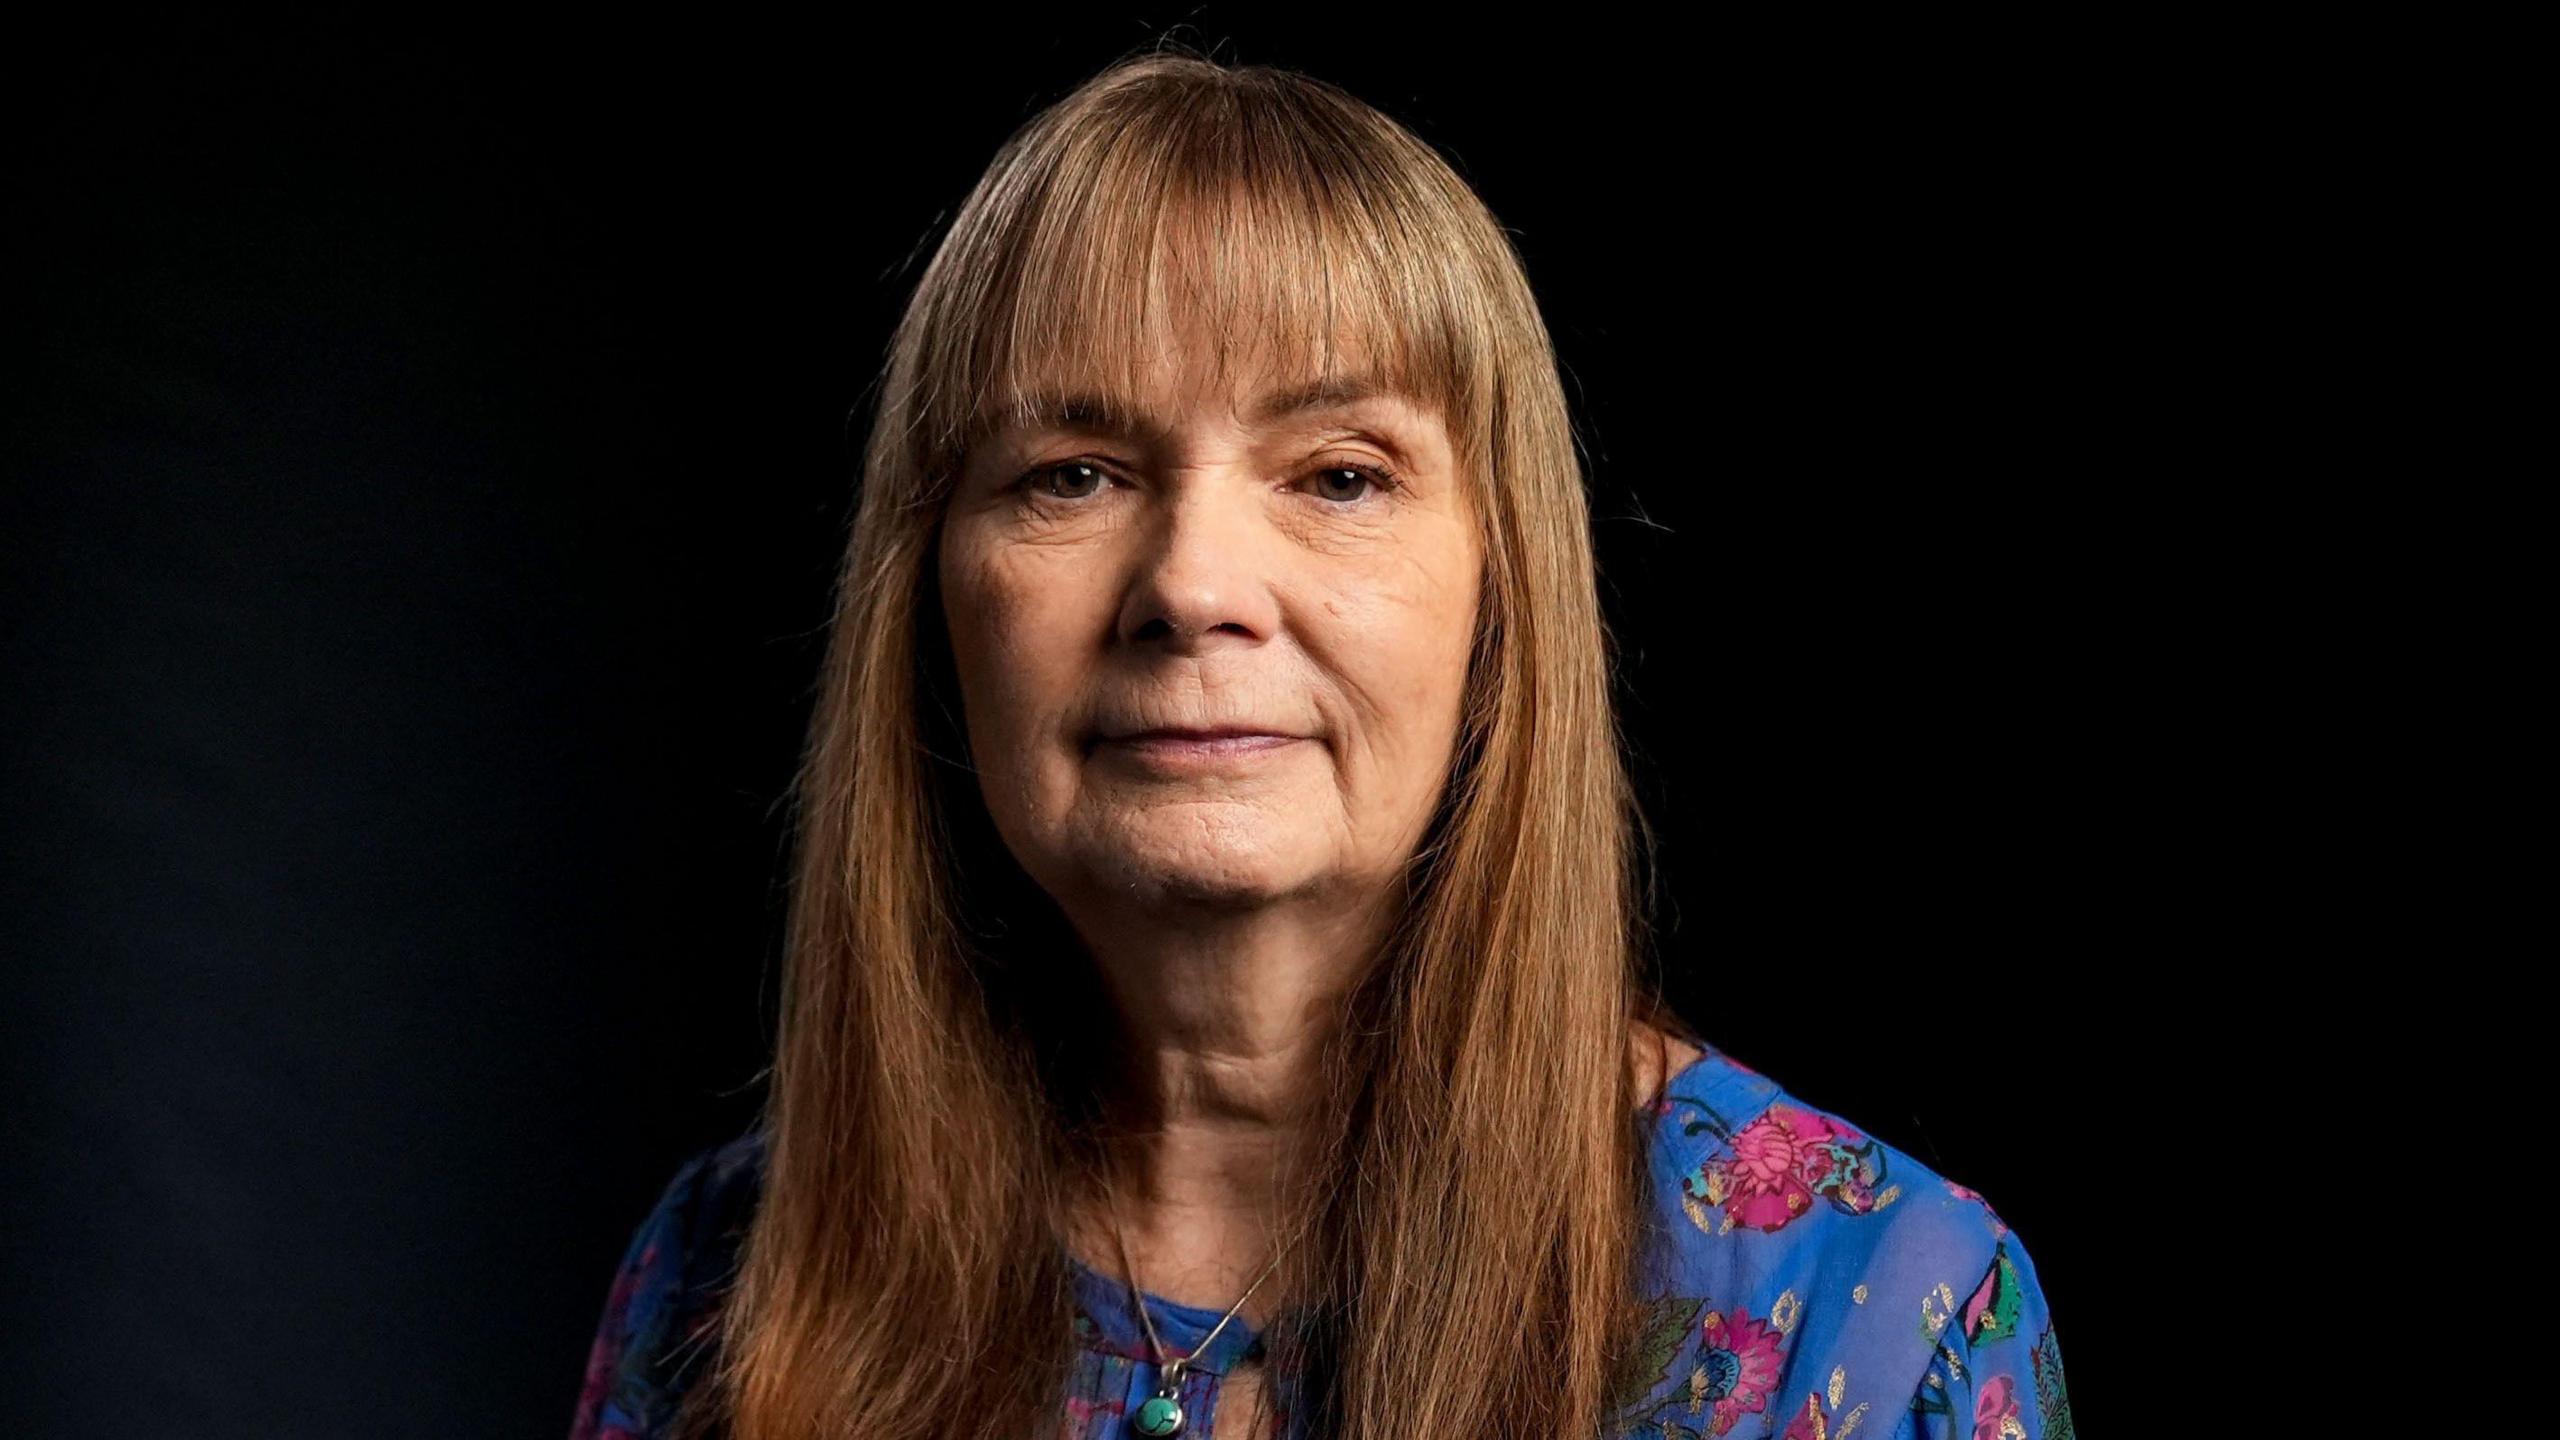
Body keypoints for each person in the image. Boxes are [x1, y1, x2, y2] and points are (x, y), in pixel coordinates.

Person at [566, 45, 2073, 1440]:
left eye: (1340, 476)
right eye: (1074, 473)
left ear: (1505, 594)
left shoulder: (1875, 1312)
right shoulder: (725, 1277)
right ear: (931, 604)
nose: (1194, 588)